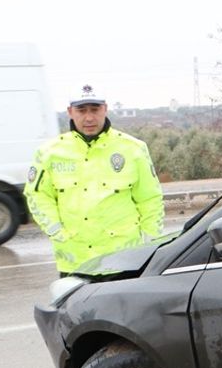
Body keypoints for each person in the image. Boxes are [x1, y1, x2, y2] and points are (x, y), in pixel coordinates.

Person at [25, 84, 164, 274]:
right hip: (75, 263)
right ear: (70, 112)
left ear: (105, 109)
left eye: (95, 109)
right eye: (81, 110)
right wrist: (57, 232)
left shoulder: (133, 149)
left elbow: (151, 199)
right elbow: (37, 196)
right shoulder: (49, 153)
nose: (89, 117)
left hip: (126, 262)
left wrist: (149, 245)